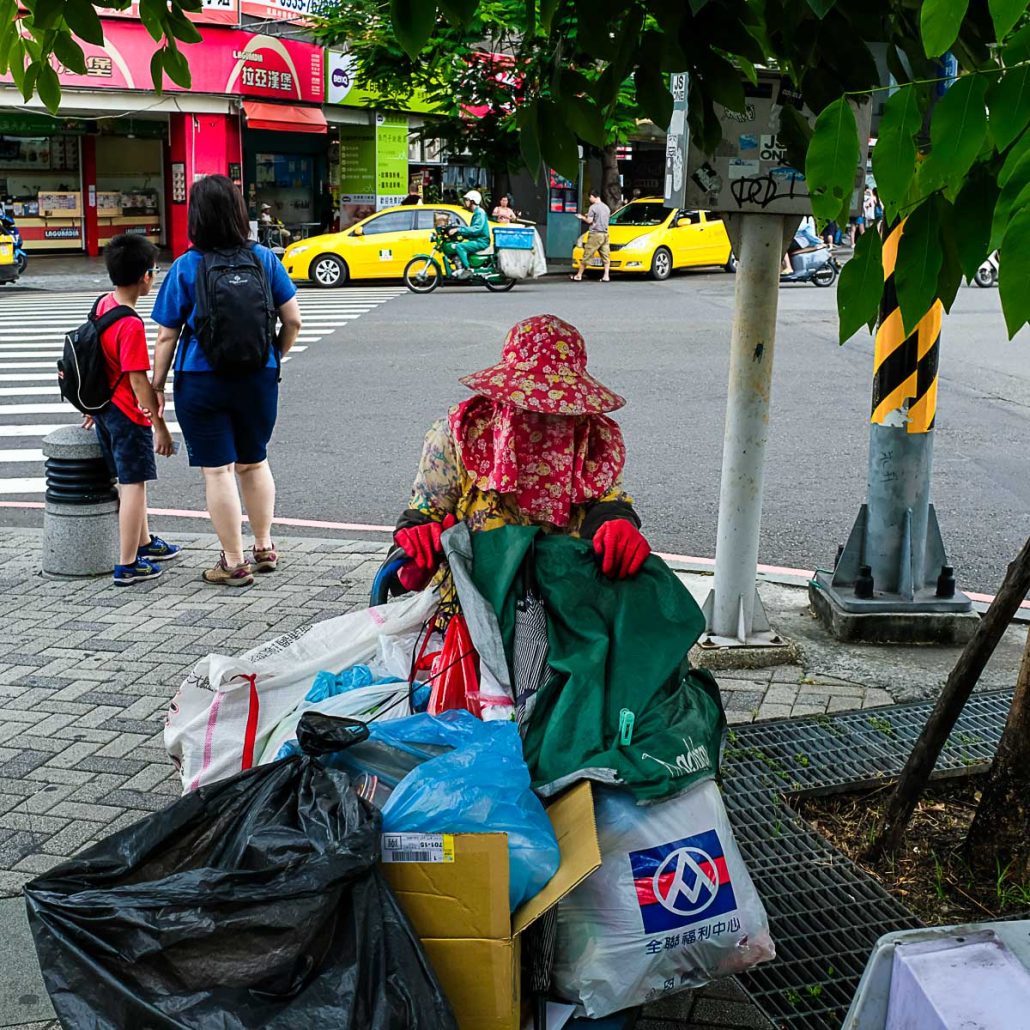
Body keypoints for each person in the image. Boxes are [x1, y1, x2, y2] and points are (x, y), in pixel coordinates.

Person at [393, 314, 651, 591]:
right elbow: (426, 512)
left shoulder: (594, 435)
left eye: (557, 409)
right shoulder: (459, 432)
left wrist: (616, 524)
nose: (543, 415)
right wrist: (416, 544)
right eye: (527, 405)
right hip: (473, 598)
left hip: (567, 594)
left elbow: (607, 501)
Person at [151, 175, 303, 587]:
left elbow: (167, 335)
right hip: (258, 376)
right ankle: (265, 546)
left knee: (217, 472)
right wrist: (272, 355)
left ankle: (233, 562)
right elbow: (293, 321)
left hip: (201, 379)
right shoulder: (264, 260)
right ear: (240, 212)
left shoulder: (186, 266)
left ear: (196, 217)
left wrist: (157, 385)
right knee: (254, 461)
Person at [82, 234, 180, 585]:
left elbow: (96, 360)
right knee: (133, 483)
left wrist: (92, 405)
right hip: (127, 414)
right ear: (144, 276)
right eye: (153, 270)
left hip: (106, 410)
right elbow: (138, 381)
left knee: (131, 479)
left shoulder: (103, 304)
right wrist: (160, 425)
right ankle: (127, 563)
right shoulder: (131, 324)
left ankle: (145, 542)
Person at [450, 189, 491, 279]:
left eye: (467, 200)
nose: (465, 202)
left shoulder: (480, 213)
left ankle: (468, 269)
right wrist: (460, 233)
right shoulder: (476, 213)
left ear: (473, 201)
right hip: (477, 239)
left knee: (459, 246)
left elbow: (476, 229)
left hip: (481, 241)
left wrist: (458, 229)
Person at [572, 189, 611, 282]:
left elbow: (589, 221)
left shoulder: (593, 207)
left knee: (587, 254)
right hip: (605, 234)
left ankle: (579, 275)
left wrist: (582, 217)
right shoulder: (606, 207)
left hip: (595, 234)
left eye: (590, 197)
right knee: (606, 256)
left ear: (593, 196)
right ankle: (606, 276)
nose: (590, 199)